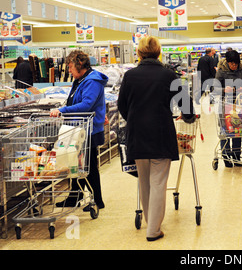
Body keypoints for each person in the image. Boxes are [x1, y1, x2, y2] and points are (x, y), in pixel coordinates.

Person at [118, 36, 195, 242]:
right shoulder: (168, 75)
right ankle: (153, 229)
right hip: (160, 133)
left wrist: (134, 119)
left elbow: (122, 106)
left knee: (144, 181)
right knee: (159, 182)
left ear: (140, 53)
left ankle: (149, 222)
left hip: (137, 134)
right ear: (159, 52)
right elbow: (186, 106)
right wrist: (188, 118)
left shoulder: (130, 76)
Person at [50, 50, 108, 210]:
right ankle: (75, 196)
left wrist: (63, 110)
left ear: (79, 64)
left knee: (88, 165)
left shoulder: (92, 81)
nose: (68, 70)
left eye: (70, 67)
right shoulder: (81, 79)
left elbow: (87, 104)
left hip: (88, 130)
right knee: (75, 164)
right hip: (79, 127)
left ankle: (98, 199)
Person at [215, 50, 242, 167]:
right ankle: (226, 156)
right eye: (231, 64)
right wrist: (224, 90)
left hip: (239, 103)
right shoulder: (221, 71)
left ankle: (236, 155)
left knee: (237, 128)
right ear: (227, 62)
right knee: (225, 129)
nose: (233, 66)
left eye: (235, 64)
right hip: (224, 103)